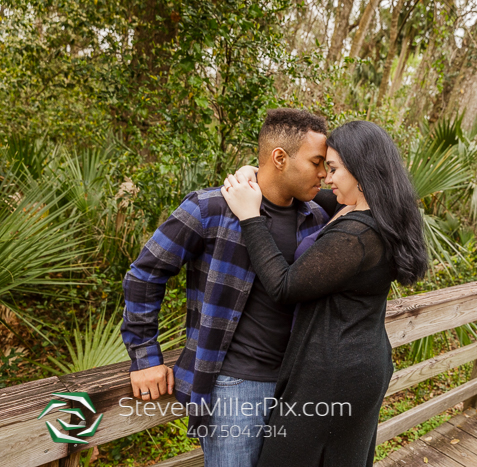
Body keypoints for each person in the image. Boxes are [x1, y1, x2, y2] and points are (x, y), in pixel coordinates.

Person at [121, 108, 337, 467]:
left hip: (296, 384)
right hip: (233, 388)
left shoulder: (315, 216)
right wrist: (144, 356)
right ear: (279, 158)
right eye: (317, 162)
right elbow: (145, 273)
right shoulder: (210, 209)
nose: (323, 173)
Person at [220, 120, 428, 466]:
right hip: (357, 362)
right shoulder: (371, 209)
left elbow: (284, 286)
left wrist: (249, 216)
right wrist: (255, 171)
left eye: (332, 169)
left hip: (333, 375)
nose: (326, 179)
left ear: (361, 171)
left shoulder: (357, 236)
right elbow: (294, 186)